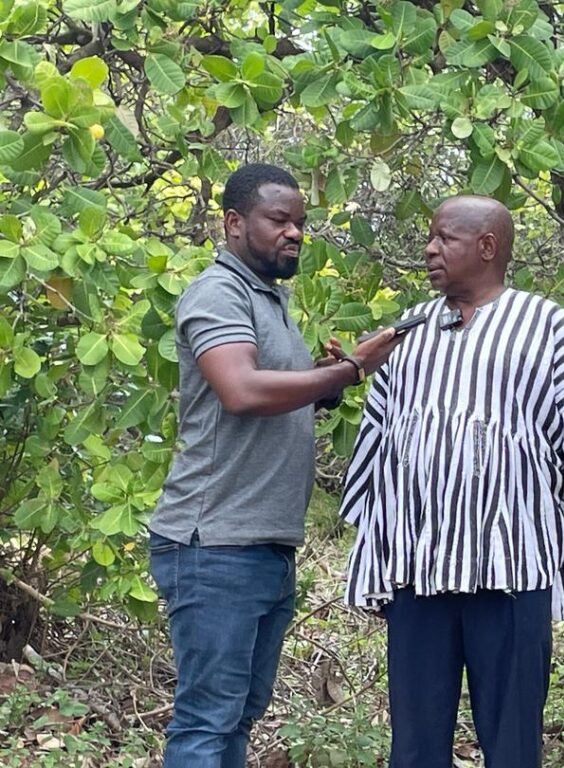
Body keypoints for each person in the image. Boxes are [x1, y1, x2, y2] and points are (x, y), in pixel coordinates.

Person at [338, 195, 564, 768]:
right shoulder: (411, 329)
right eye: (431, 237)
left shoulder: (544, 323)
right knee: (416, 746)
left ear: (487, 246)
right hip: (417, 569)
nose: (429, 249)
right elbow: (379, 435)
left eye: (443, 238)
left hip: (510, 567)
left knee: (513, 742)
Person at [148, 163, 400, 768]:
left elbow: (282, 391)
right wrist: (351, 370)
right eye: (279, 220)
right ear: (235, 223)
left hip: (262, 545)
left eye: (300, 224)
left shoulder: (269, 297)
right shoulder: (218, 292)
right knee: (209, 720)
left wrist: (329, 380)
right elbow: (242, 391)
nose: (294, 234)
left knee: (237, 714)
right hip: (214, 545)